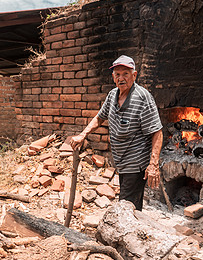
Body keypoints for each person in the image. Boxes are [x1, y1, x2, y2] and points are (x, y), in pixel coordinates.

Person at [70, 55, 163, 211]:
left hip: (136, 162)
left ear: (134, 75)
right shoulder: (113, 95)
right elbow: (99, 117)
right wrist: (82, 134)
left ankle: (128, 233)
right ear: (113, 77)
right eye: (117, 74)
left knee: (126, 207)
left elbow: (157, 131)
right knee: (130, 207)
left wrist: (153, 164)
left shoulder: (142, 97)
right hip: (121, 160)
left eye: (125, 74)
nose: (121, 78)